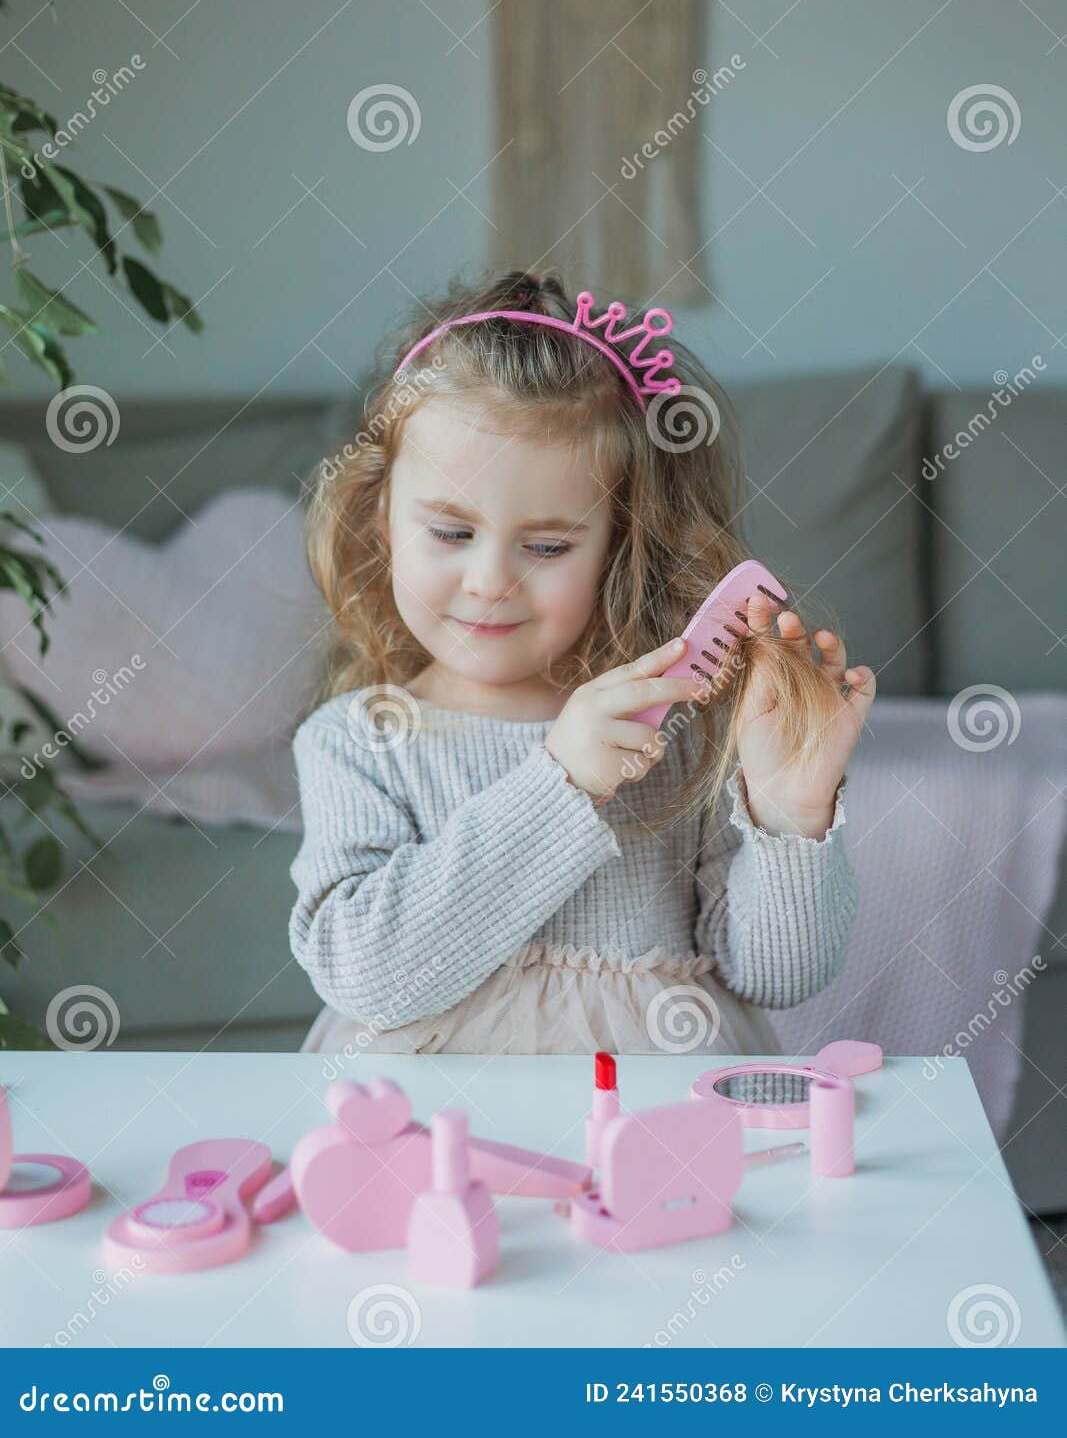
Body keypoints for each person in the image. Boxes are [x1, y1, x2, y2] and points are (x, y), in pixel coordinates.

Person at [288, 267, 875, 1059]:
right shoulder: (354, 742)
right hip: (429, 1139)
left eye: (547, 545)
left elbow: (778, 976)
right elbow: (369, 976)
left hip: (652, 1130)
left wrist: (787, 811)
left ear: (617, 549)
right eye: (451, 533)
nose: (490, 581)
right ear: (382, 519)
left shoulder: (678, 734)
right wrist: (558, 782)